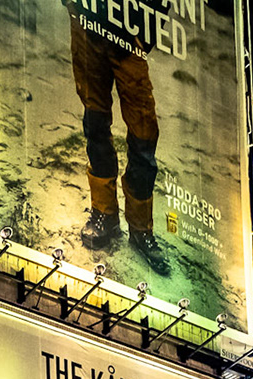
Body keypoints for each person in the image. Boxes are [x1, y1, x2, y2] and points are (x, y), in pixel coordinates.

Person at [68, 1, 170, 274]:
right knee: (95, 121)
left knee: (144, 135)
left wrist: (142, 36)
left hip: (127, 33)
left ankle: (140, 228)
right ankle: (104, 212)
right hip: (87, 26)